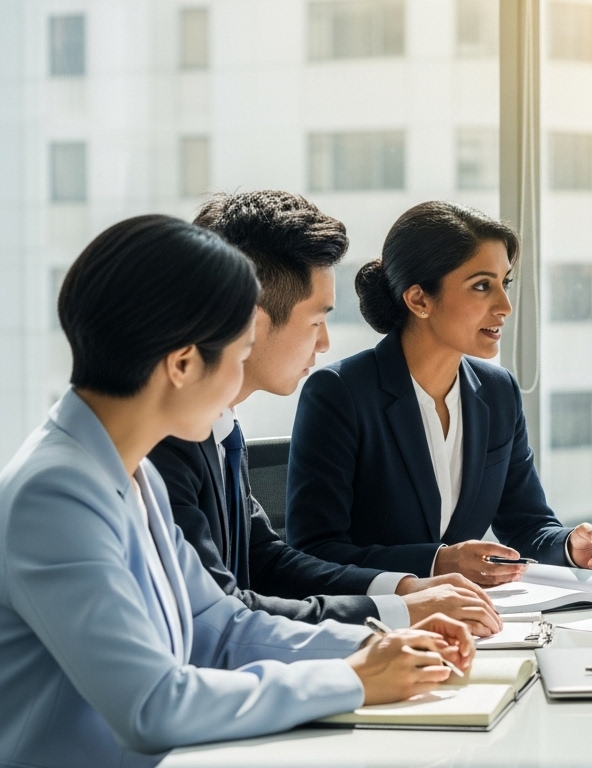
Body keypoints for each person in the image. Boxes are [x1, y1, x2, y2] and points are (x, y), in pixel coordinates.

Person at [0, 215, 473, 768]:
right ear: (182, 364)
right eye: (240, 353)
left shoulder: (132, 473)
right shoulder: (55, 494)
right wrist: (351, 679)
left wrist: (375, 646)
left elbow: (219, 626)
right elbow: (153, 706)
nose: (237, 386)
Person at [147, 191, 501, 635]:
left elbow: (265, 560)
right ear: (250, 321)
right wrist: (399, 614)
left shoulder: (220, 429)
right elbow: (219, 618)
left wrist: (404, 590)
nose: (325, 342)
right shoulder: (164, 445)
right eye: (316, 320)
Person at [287, 201, 592, 583]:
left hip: (469, 614)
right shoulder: (340, 394)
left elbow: (527, 524)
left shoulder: (498, 392)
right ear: (419, 300)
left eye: (505, 283)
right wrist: (436, 563)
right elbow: (315, 551)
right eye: (482, 286)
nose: (505, 306)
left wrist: (571, 547)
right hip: (375, 614)